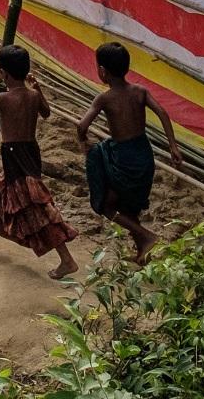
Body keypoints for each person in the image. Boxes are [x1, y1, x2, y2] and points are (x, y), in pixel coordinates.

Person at [0, 45, 78, 277]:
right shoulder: (33, 96)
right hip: (30, 152)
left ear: (3, 73)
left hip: (14, 155)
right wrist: (38, 89)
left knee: (37, 208)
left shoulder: (3, 98)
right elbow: (46, 113)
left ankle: (67, 259)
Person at [75, 40, 178, 258]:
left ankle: (147, 236)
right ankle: (142, 249)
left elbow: (82, 125)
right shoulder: (140, 91)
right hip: (143, 154)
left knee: (106, 205)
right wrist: (173, 146)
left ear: (102, 71)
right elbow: (162, 113)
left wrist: (83, 141)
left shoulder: (104, 99)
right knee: (129, 205)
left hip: (122, 158)